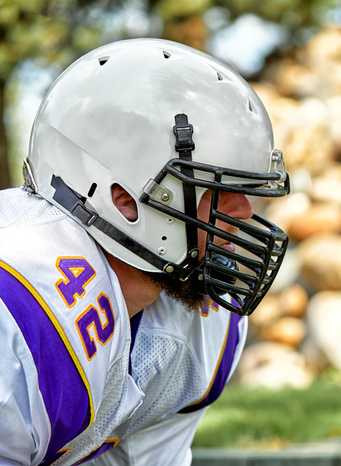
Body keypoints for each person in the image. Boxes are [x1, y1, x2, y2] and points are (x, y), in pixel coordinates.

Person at [0, 38, 290, 465]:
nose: (244, 213)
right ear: (123, 199)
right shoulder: (23, 308)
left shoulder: (209, 322)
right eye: (216, 190)